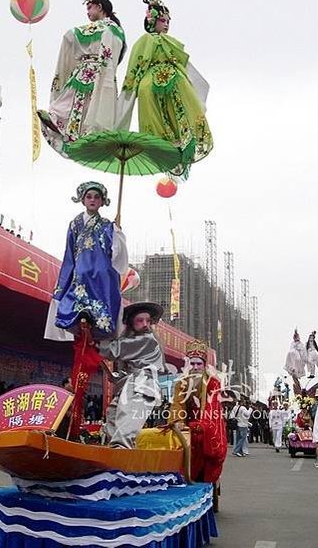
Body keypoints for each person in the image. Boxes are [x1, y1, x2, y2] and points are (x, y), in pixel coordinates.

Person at [117, 0, 213, 176]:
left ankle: (181, 138)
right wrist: (128, 95)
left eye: (168, 21)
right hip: (150, 84)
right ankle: (160, 143)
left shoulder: (171, 42)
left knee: (180, 109)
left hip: (175, 82)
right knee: (153, 114)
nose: (166, 24)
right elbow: (134, 68)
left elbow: (183, 63)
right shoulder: (144, 41)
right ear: (153, 21)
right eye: (162, 20)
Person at [38, 0, 126, 156]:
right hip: (86, 70)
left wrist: (72, 35)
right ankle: (62, 124)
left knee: (90, 108)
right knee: (71, 101)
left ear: (100, 7)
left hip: (99, 71)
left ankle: (86, 134)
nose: (87, 12)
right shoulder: (106, 29)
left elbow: (100, 40)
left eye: (89, 7)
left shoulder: (111, 28)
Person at [44, 182, 128, 341]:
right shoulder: (75, 224)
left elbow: (116, 254)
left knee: (100, 317)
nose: (92, 200)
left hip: (101, 276)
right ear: (82, 200)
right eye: (89, 196)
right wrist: (62, 284)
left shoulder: (107, 225)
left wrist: (117, 234)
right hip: (81, 274)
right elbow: (69, 254)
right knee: (73, 311)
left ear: (102, 202)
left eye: (97, 197)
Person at [99, 302, 166, 448]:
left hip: (142, 386)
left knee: (124, 433)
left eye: (148, 321)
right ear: (131, 323)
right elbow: (127, 370)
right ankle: (116, 458)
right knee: (112, 418)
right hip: (131, 385)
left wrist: (96, 332)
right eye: (140, 320)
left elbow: (110, 350)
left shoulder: (148, 340)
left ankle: (119, 462)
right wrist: (115, 376)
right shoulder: (135, 341)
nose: (145, 325)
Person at [168, 340, 227, 481]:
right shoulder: (181, 383)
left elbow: (212, 407)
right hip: (186, 428)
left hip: (206, 428)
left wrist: (200, 426)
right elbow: (177, 404)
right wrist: (177, 421)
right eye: (192, 364)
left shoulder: (213, 382)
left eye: (198, 364)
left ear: (204, 365)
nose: (195, 367)